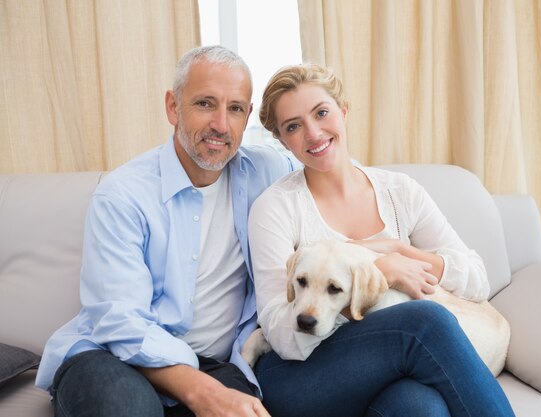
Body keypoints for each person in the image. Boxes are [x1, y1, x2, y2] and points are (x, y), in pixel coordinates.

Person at [35, 45, 297, 417]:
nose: (222, 125)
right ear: (173, 106)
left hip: (214, 364)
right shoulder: (122, 194)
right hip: (112, 358)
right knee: (124, 409)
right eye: (206, 103)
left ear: (247, 115)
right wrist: (202, 392)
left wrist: (392, 254)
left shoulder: (266, 171)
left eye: (235, 108)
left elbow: (330, 161)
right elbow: (119, 321)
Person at [247, 63, 516, 417]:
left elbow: (478, 279)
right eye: (294, 126)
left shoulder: (400, 192)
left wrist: (401, 250)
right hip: (298, 373)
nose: (313, 133)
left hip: (386, 369)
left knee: (421, 407)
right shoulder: (276, 208)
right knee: (425, 321)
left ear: (343, 112)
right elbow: (279, 330)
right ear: (282, 141)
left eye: (322, 113)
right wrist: (380, 273)